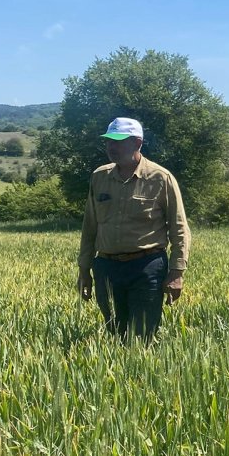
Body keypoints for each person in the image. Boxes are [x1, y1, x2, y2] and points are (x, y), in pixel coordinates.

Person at [77, 117, 189, 341]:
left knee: (142, 335)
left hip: (146, 267)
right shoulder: (99, 177)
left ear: (137, 143)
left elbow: (179, 229)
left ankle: (140, 374)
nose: (112, 147)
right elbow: (90, 226)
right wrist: (84, 271)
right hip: (106, 268)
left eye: (118, 141)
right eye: (109, 141)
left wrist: (176, 273)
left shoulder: (160, 178)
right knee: (116, 334)